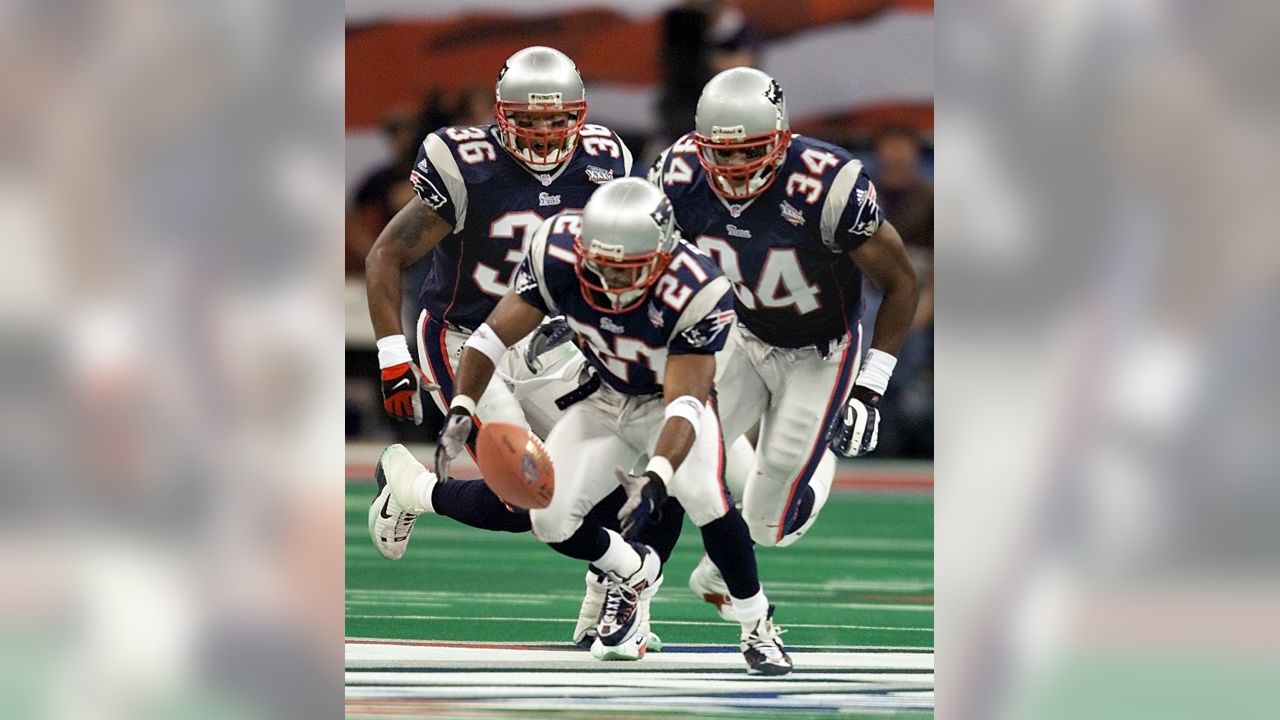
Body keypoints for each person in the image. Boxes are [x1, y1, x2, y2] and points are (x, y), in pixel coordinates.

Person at [363, 47, 681, 649]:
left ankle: (609, 604)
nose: (544, 133)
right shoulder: (464, 162)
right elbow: (386, 254)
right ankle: (630, 573)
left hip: (551, 342)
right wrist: (392, 354)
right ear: (501, 116)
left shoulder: (605, 159)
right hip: (463, 339)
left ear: (580, 114)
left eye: (558, 118)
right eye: (529, 120)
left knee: (621, 474)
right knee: (526, 491)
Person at [423, 178, 791, 674]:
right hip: (601, 398)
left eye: (628, 270)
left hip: (668, 404)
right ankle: (634, 570)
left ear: (662, 253)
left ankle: (757, 625)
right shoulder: (556, 252)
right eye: (604, 266)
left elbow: (686, 402)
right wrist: (463, 405)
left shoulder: (698, 289)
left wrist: (657, 478)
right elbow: (489, 338)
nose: (613, 281)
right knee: (547, 518)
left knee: (703, 494)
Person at [647, 68, 920, 616]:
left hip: (821, 351)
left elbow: (901, 282)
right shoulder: (676, 174)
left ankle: (810, 459)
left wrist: (871, 384)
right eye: (718, 154)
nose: (731, 168)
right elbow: (652, 262)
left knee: (774, 528)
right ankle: (628, 592)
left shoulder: (828, 184)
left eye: (747, 151)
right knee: (670, 452)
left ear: (780, 138)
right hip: (740, 335)